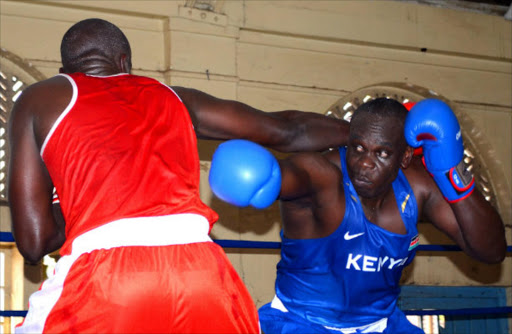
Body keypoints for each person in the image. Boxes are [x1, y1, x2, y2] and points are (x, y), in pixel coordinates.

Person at [7, 18, 351, 334]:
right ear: (126, 63)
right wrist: (375, 135)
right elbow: (289, 130)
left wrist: (71, 195)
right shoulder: (175, 97)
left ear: (65, 71)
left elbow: (35, 242)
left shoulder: (42, 97)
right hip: (203, 273)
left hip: (106, 276)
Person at [209, 97, 507, 334]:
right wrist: (270, 175)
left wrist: (452, 174)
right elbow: (296, 174)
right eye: (359, 148)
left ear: (404, 157)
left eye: (381, 154)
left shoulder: (417, 187)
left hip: (382, 325)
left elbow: (491, 251)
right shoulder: (323, 176)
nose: (365, 163)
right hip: (302, 323)